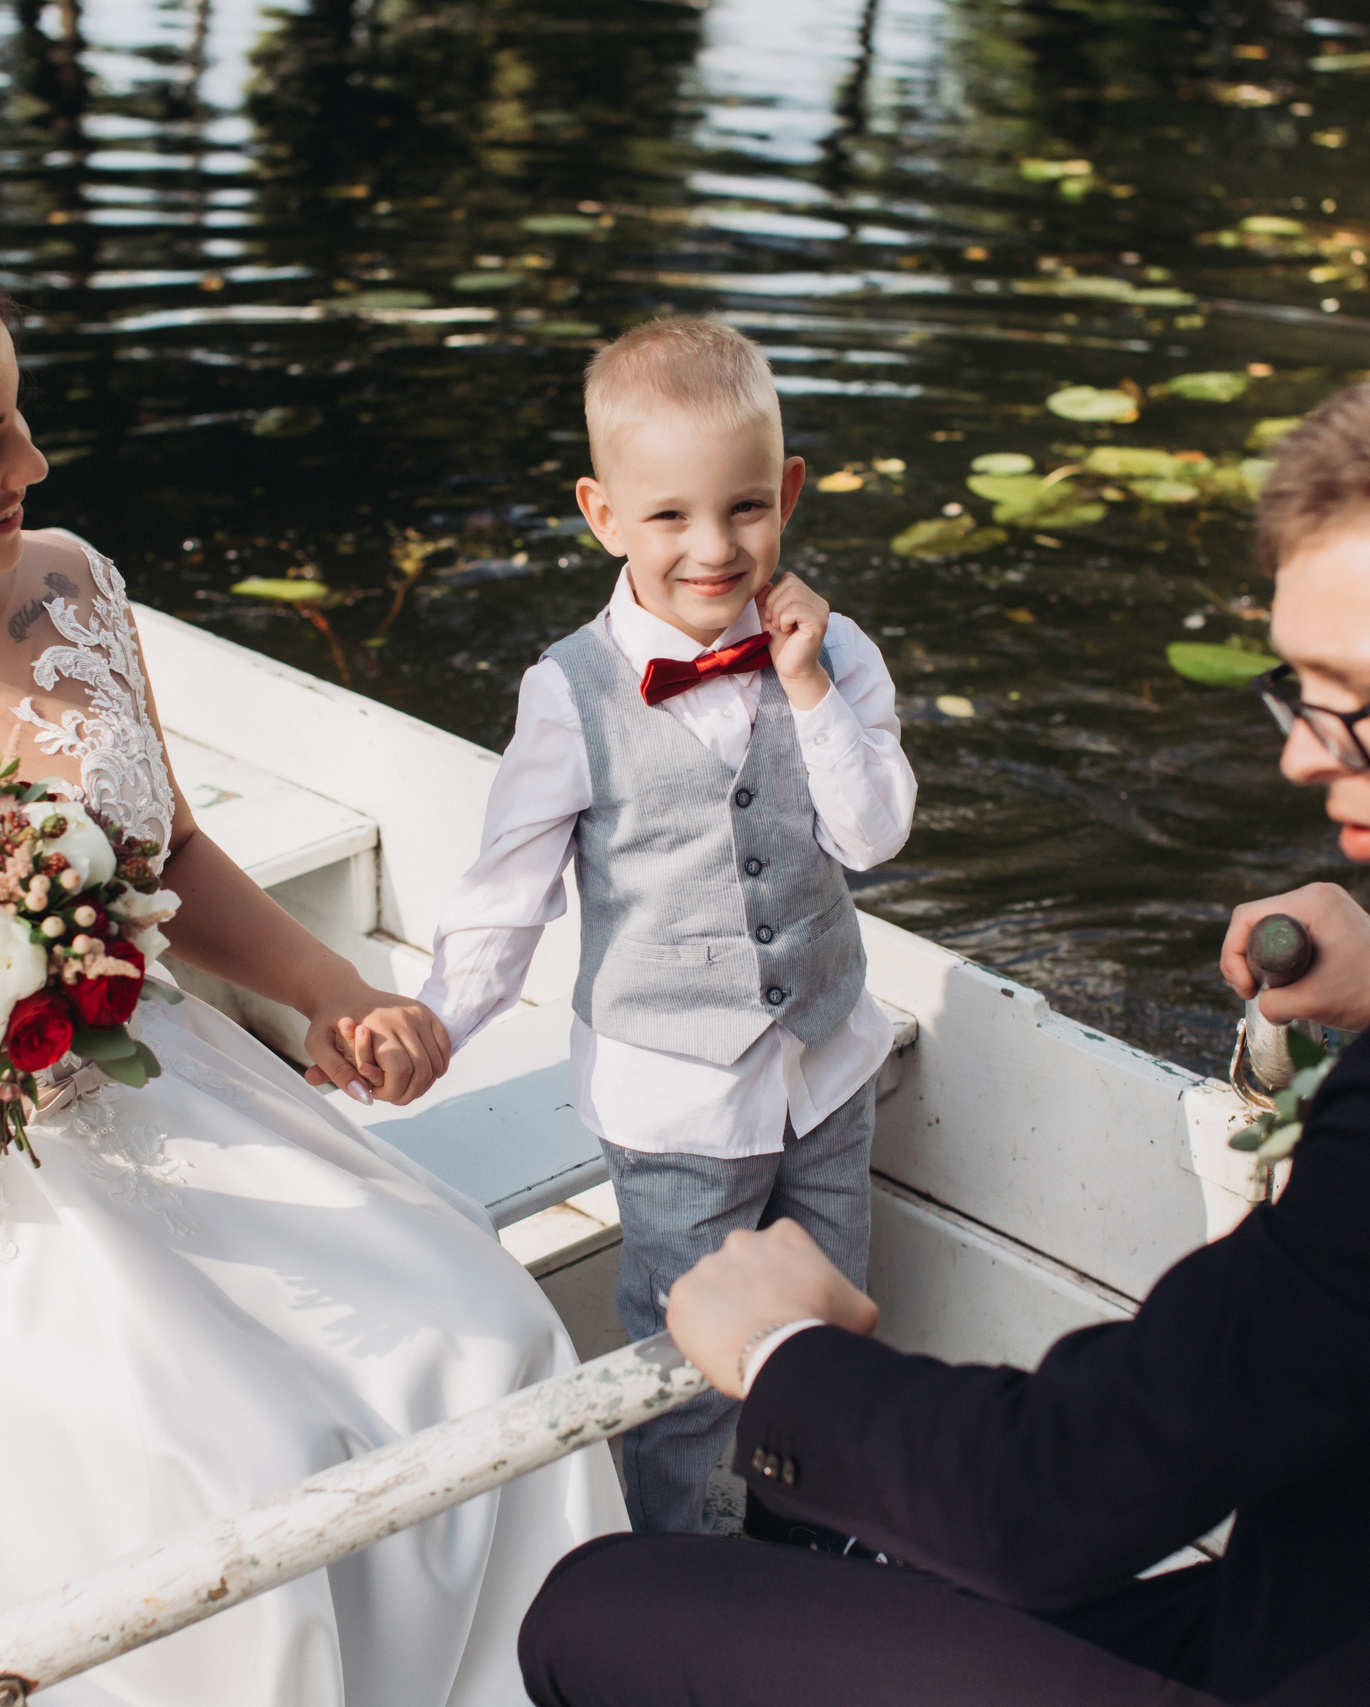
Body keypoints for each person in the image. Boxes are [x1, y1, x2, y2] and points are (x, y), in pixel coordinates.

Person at [517, 336, 1370, 1704]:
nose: (1302, 749)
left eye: (1359, 697)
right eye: (1300, 690)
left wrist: (780, 1347)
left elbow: (1051, 1497)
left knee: (604, 1603)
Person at [0, 206, 623, 1707]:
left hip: (154, 1088)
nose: (32, 469)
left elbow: (171, 855)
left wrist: (329, 988)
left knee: (481, 1335)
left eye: (16, 420)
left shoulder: (66, 583)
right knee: (241, 1473)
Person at [418, 318, 915, 1534]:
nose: (713, 548)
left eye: (746, 509)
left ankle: (816, 1547)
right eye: (669, 518)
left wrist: (806, 690)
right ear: (601, 515)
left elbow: (874, 837)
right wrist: (436, 1021)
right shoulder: (567, 690)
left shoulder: (834, 652)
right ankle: (684, 1571)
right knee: (686, 1363)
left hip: (824, 1062)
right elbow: (510, 883)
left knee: (823, 1323)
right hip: (673, 1093)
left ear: (788, 491)